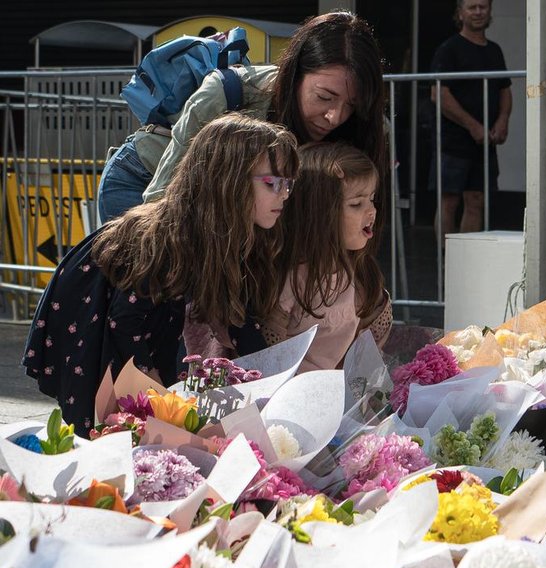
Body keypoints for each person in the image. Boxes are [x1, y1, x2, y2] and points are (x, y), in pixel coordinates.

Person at [23, 114, 298, 436]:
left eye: (289, 184)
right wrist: (155, 390)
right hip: (96, 320)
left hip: (149, 323)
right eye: (273, 183)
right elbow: (124, 320)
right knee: (106, 424)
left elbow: (239, 318)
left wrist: (274, 379)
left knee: (154, 415)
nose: (285, 194)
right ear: (228, 180)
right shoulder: (173, 234)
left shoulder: (231, 234)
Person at [97, 10, 387, 230]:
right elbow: (159, 206)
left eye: (352, 105)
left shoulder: (364, 129)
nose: (335, 116)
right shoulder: (228, 92)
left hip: (221, 214)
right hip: (144, 184)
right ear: (294, 74)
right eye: (324, 97)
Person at [185, 142, 392, 372]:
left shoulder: (359, 272)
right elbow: (270, 360)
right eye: (356, 203)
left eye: (372, 199)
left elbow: (367, 349)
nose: (372, 211)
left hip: (332, 394)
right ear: (318, 213)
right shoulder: (290, 279)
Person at [429, 0, 512, 239]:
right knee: (449, 201)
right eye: (472, 7)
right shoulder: (449, 49)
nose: (478, 12)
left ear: (489, 11)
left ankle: (466, 259)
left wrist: (502, 120)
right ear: (460, 13)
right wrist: (473, 126)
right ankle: (446, 261)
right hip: (452, 141)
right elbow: (439, 94)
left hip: (485, 143)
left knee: (476, 200)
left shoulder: (494, 50)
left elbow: (505, 89)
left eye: (483, 7)